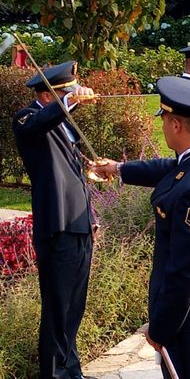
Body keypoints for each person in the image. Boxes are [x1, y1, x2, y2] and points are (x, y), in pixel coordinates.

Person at [92, 77, 190, 379]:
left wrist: (160, 329)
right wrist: (119, 169)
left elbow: (185, 269)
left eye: (164, 120)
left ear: (175, 125)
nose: (162, 126)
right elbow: (173, 169)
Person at [13, 60, 98, 379]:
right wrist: (69, 102)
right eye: (67, 91)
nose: (74, 95)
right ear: (50, 96)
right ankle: (54, 374)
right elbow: (40, 123)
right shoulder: (28, 117)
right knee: (57, 308)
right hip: (57, 226)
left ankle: (70, 371)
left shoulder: (63, 125)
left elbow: (75, 176)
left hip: (78, 225)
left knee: (74, 307)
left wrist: (90, 215)